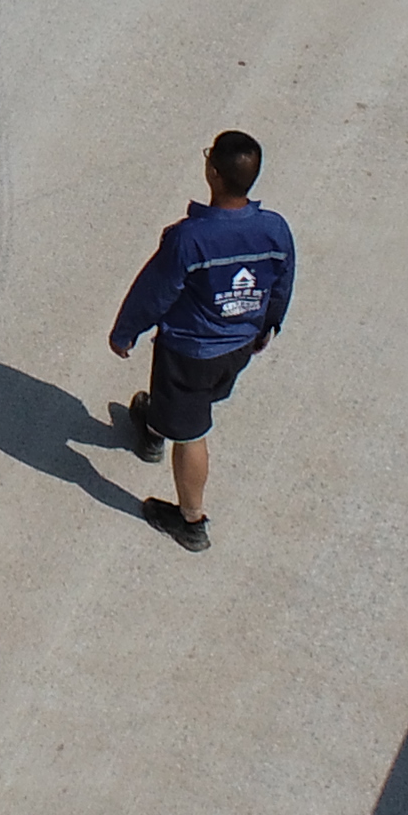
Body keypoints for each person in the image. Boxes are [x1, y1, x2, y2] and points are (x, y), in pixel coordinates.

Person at [106, 129, 293, 553]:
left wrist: (125, 332)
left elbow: (154, 292)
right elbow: (281, 284)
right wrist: (269, 325)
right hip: (239, 345)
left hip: (190, 352)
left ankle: (191, 520)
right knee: (187, 402)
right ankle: (155, 423)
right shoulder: (275, 230)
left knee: (191, 432)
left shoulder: (190, 237)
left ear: (213, 172)